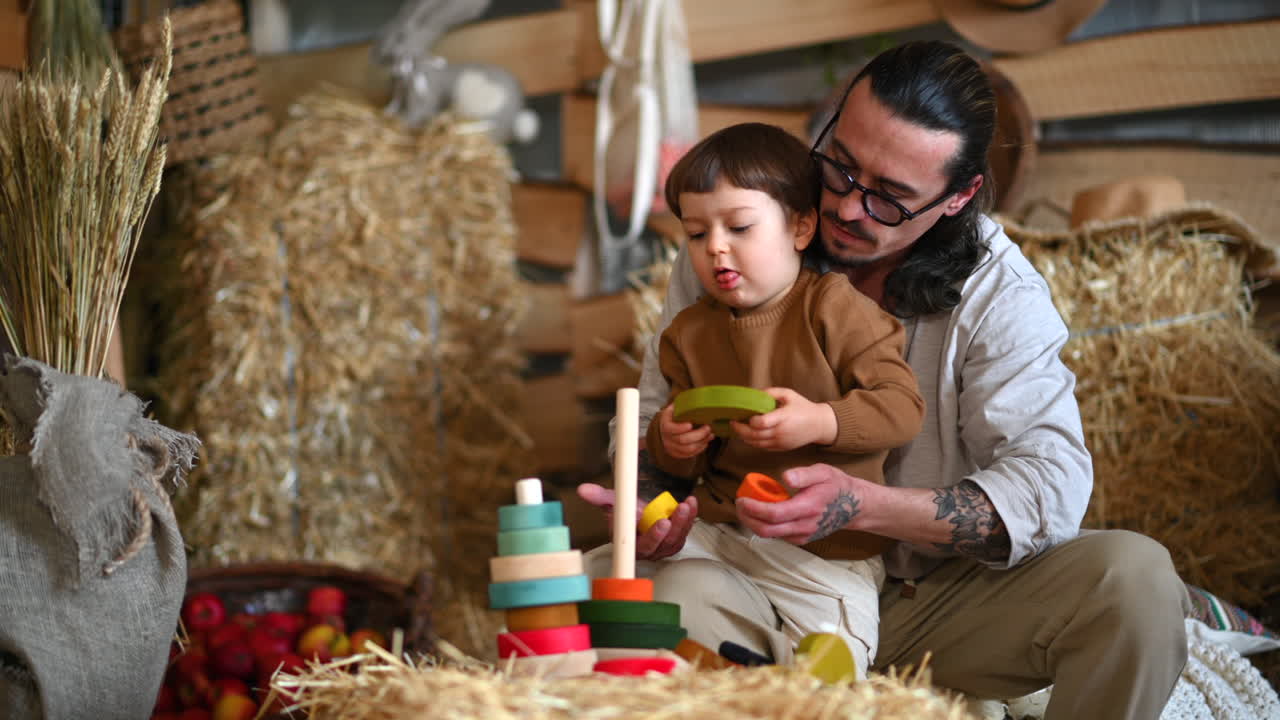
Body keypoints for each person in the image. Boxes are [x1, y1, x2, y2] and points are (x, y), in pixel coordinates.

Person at [580, 40, 1189, 719]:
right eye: (839, 166)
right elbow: (654, 416)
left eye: (890, 198)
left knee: (1135, 583)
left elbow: (1050, 485)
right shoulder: (745, 232)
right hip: (760, 576)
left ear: (958, 198)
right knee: (639, 599)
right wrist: (657, 503)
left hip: (940, 605)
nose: (847, 208)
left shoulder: (999, 292)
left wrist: (863, 506)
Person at [642, 121, 925, 674]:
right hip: (723, 533)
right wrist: (671, 439)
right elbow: (681, 458)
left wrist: (821, 422)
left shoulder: (832, 309)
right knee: (604, 580)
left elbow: (901, 407)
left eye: (740, 226)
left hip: (822, 554)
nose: (715, 247)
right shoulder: (689, 333)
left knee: (826, 668)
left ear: (800, 228)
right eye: (696, 235)